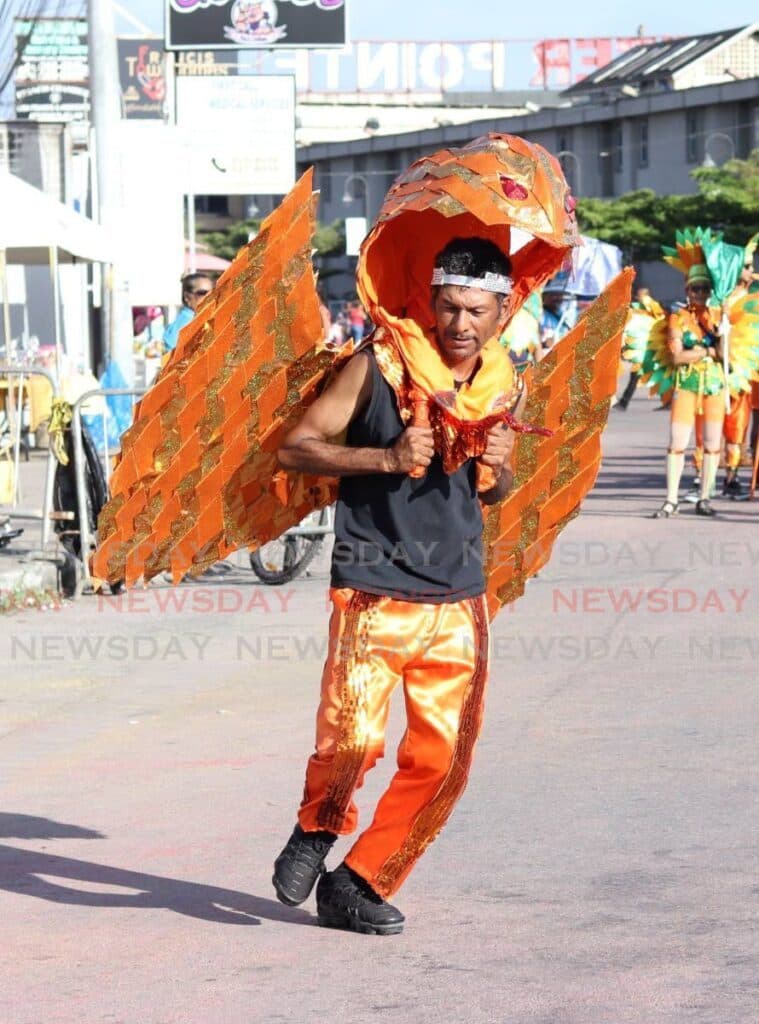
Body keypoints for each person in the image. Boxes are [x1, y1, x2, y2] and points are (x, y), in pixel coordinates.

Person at [271, 238, 523, 936]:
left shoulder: (504, 383)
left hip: (458, 595)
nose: (461, 323)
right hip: (373, 584)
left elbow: (493, 492)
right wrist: (385, 457)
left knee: (444, 761)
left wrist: (501, 467)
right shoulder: (377, 365)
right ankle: (317, 829)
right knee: (352, 739)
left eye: (476, 310)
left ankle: (359, 881)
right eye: (449, 307)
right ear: (431, 302)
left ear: (502, 312)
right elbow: (294, 447)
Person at [653, 257, 725, 518]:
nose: (701, 293)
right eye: (696, 288)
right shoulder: (678, 317)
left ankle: (704, 498)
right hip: (686, 384)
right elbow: (677, 357)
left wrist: (723, 328)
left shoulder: (719, 316)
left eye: (705, 288)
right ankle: (671, 500)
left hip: (714, 386)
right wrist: (707, 351)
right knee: (677, 443)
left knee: (712, 444)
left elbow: (724, 353)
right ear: (687, 290)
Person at [163, 273, 215, 354]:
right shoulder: (186, 324)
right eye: (203, 293)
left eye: (213, 292)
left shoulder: (199, 319)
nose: (209, 296)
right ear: (187, 297)